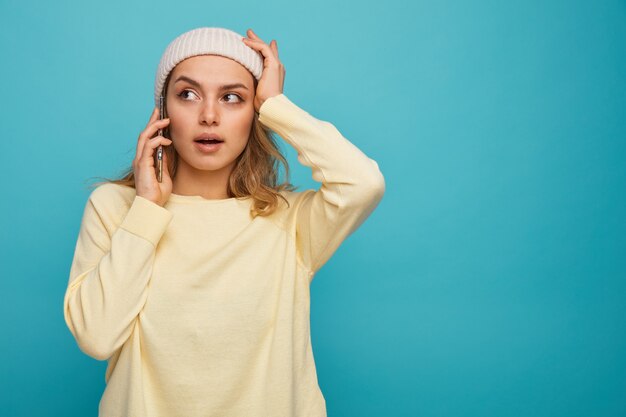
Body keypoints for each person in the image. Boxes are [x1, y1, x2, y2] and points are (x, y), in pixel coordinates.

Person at [63, 26, 385, 417]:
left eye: (233, 98)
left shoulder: (288, 220)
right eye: (187, 94)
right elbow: (96, 337)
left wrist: (276, 105)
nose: (209, 116)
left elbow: (363, 183)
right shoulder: (117, 208)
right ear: (162, 110)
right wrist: (148, 209)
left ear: (255, 113)